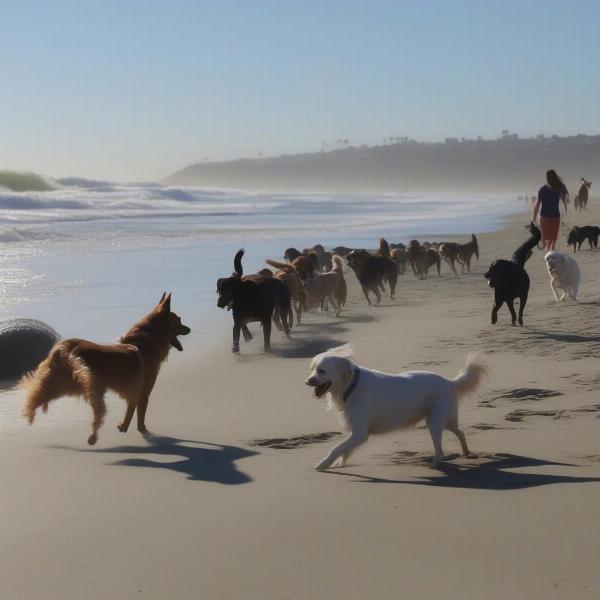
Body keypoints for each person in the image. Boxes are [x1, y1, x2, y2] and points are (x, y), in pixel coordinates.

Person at [532, 169, 569, 250]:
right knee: (552, 238)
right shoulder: (558, 188)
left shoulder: (543, 189)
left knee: (548, 239)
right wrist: (566, 207)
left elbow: (537, 205)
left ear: (547, 178)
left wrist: (534, 218)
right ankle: (551, 252)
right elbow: (565, 200)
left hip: (546, 217)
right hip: (554, 217)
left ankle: (549, 253)